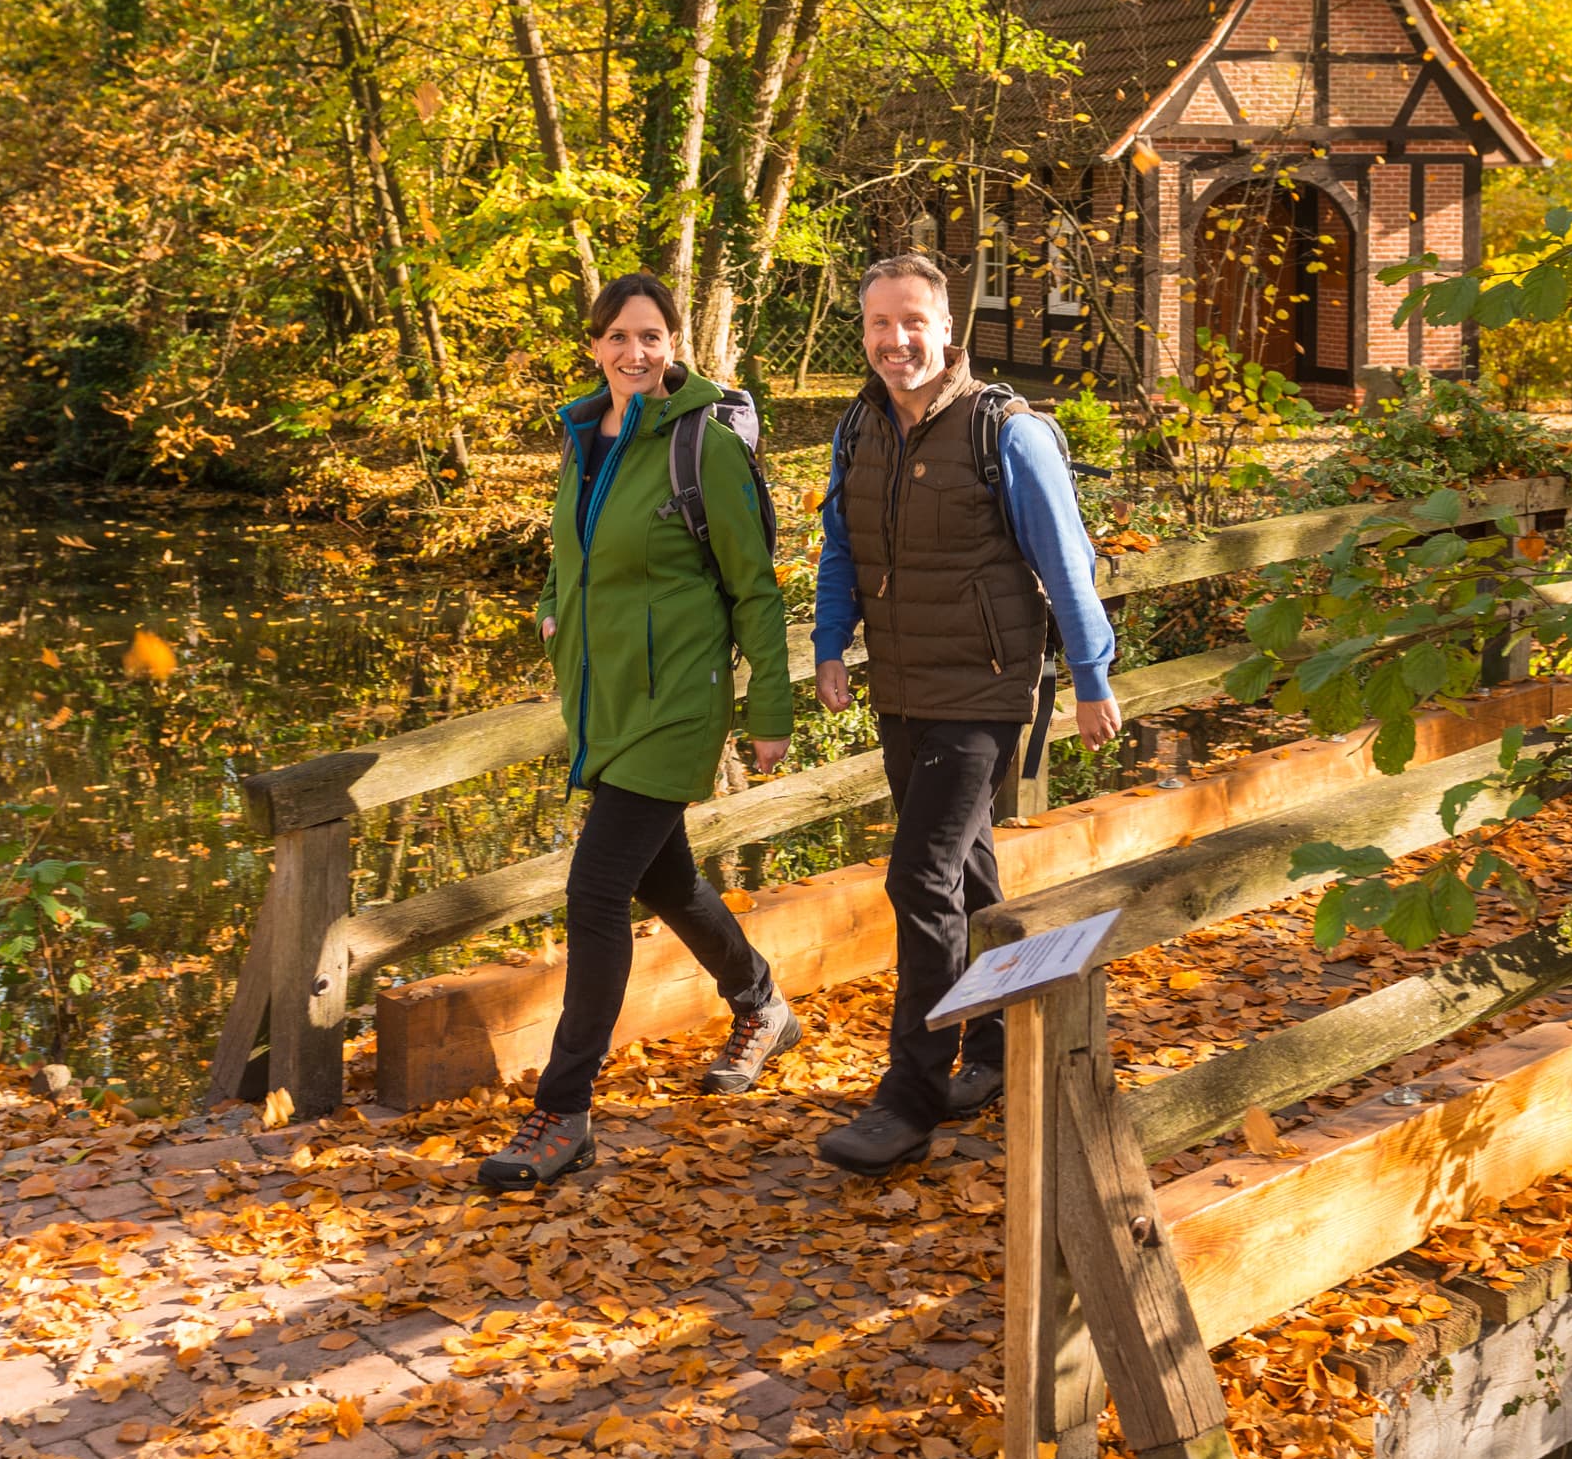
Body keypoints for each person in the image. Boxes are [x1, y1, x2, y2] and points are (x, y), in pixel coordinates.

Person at [477, 273, 800, 1191]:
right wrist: (549, 605)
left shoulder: (704, 448)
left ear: (674, 342)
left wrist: (767, 711)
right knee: (667, 878)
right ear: (595, 346)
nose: (634, 351)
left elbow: (754, 588)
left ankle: (564, 1109)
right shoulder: (586, 437)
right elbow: (567, 551)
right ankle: (762, 1002)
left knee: (594, 890)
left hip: (676, 704)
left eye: (651, 335)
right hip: (604, 700)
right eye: (618, 336)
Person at [808, 252, 1120, 1176]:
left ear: (948, 330)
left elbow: (1067, 563)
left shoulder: (1006, 433)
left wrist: (1095, 676)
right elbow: (840, 542)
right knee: (970, 871)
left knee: (921, 878)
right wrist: (831, 643)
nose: (895, 341)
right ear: (862, 334)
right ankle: (993, 1048)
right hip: (901, 685)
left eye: (912, 322)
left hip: (984, 690)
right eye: (877, 325)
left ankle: (910, 1096)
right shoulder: (857, 429)